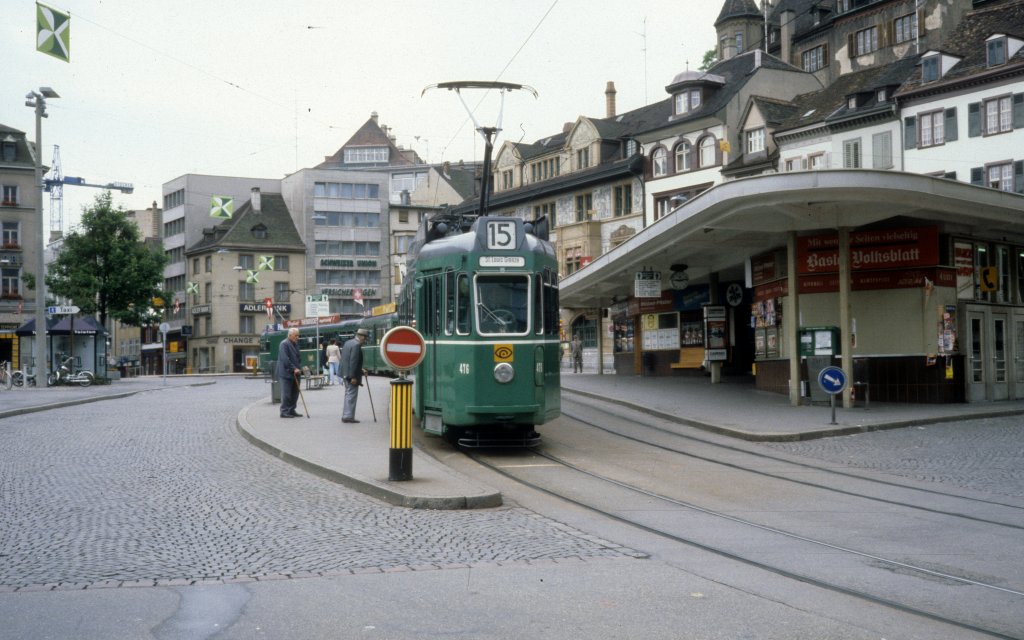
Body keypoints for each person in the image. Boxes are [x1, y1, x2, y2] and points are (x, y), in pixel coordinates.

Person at [340, 329, 368, 423]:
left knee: (348, 394)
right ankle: (348, 416)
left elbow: (347, 359)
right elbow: (353, 362)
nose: (365, 341)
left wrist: (360, 370)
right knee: (351, 395)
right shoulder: (356, 345)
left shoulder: (348, 343)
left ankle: (346, 414)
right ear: (362, 337)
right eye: (365, 338)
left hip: (345, 373)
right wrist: (353, 377)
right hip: (351, 375)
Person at [276, 327, 302, 418]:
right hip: (286, 373)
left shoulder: (295, 344)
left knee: (295, 393)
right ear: (290, 335)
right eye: (296, 335)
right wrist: (293, 368)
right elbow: (284, 359)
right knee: (286, 393)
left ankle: (291, 410)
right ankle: (284, 411)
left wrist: (298, 368)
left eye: (298, 335)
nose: (297, 337)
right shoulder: (284, 344)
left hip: (296, 373)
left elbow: (298, 358)